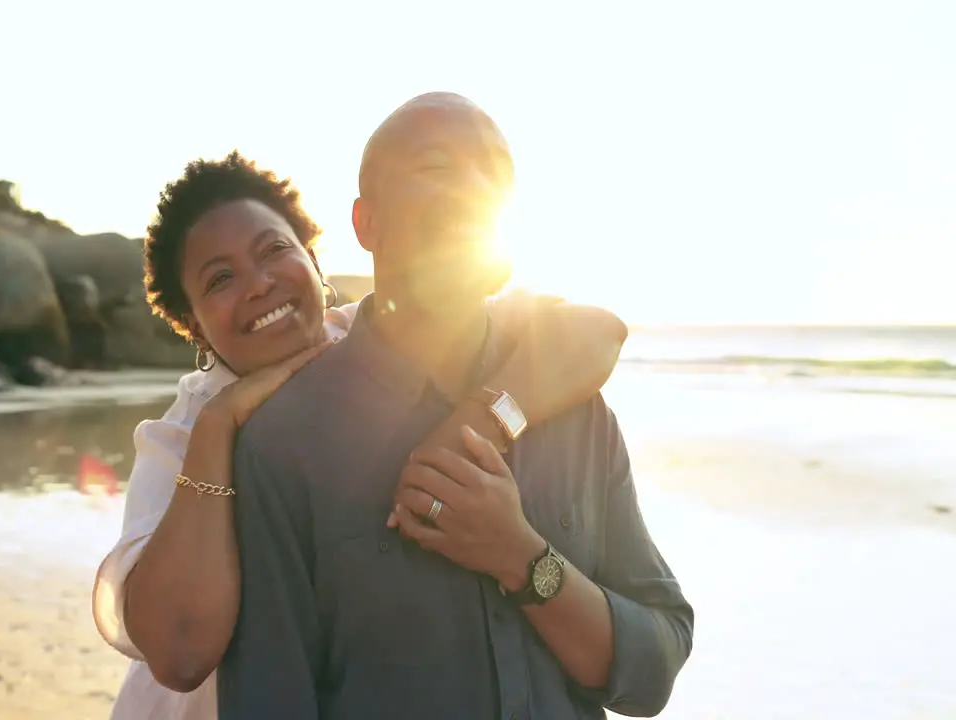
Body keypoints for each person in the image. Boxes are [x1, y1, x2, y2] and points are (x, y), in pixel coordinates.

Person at [92, 152, 630, 719]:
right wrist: (220, 428)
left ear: (313, 259)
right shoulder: (179, 435)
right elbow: (179, 654)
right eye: (221, 278)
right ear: (194, 323)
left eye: (274, 250)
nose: (260, 283)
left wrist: (474, 426)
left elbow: (592, 332)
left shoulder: (373, 337)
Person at [215, 93, 694, 719]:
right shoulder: (286, 442)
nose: (474, 188)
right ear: (367, 224)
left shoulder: (574, 408)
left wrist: (523, 558)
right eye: (438, 168)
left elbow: (653, 670)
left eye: (493, 172)